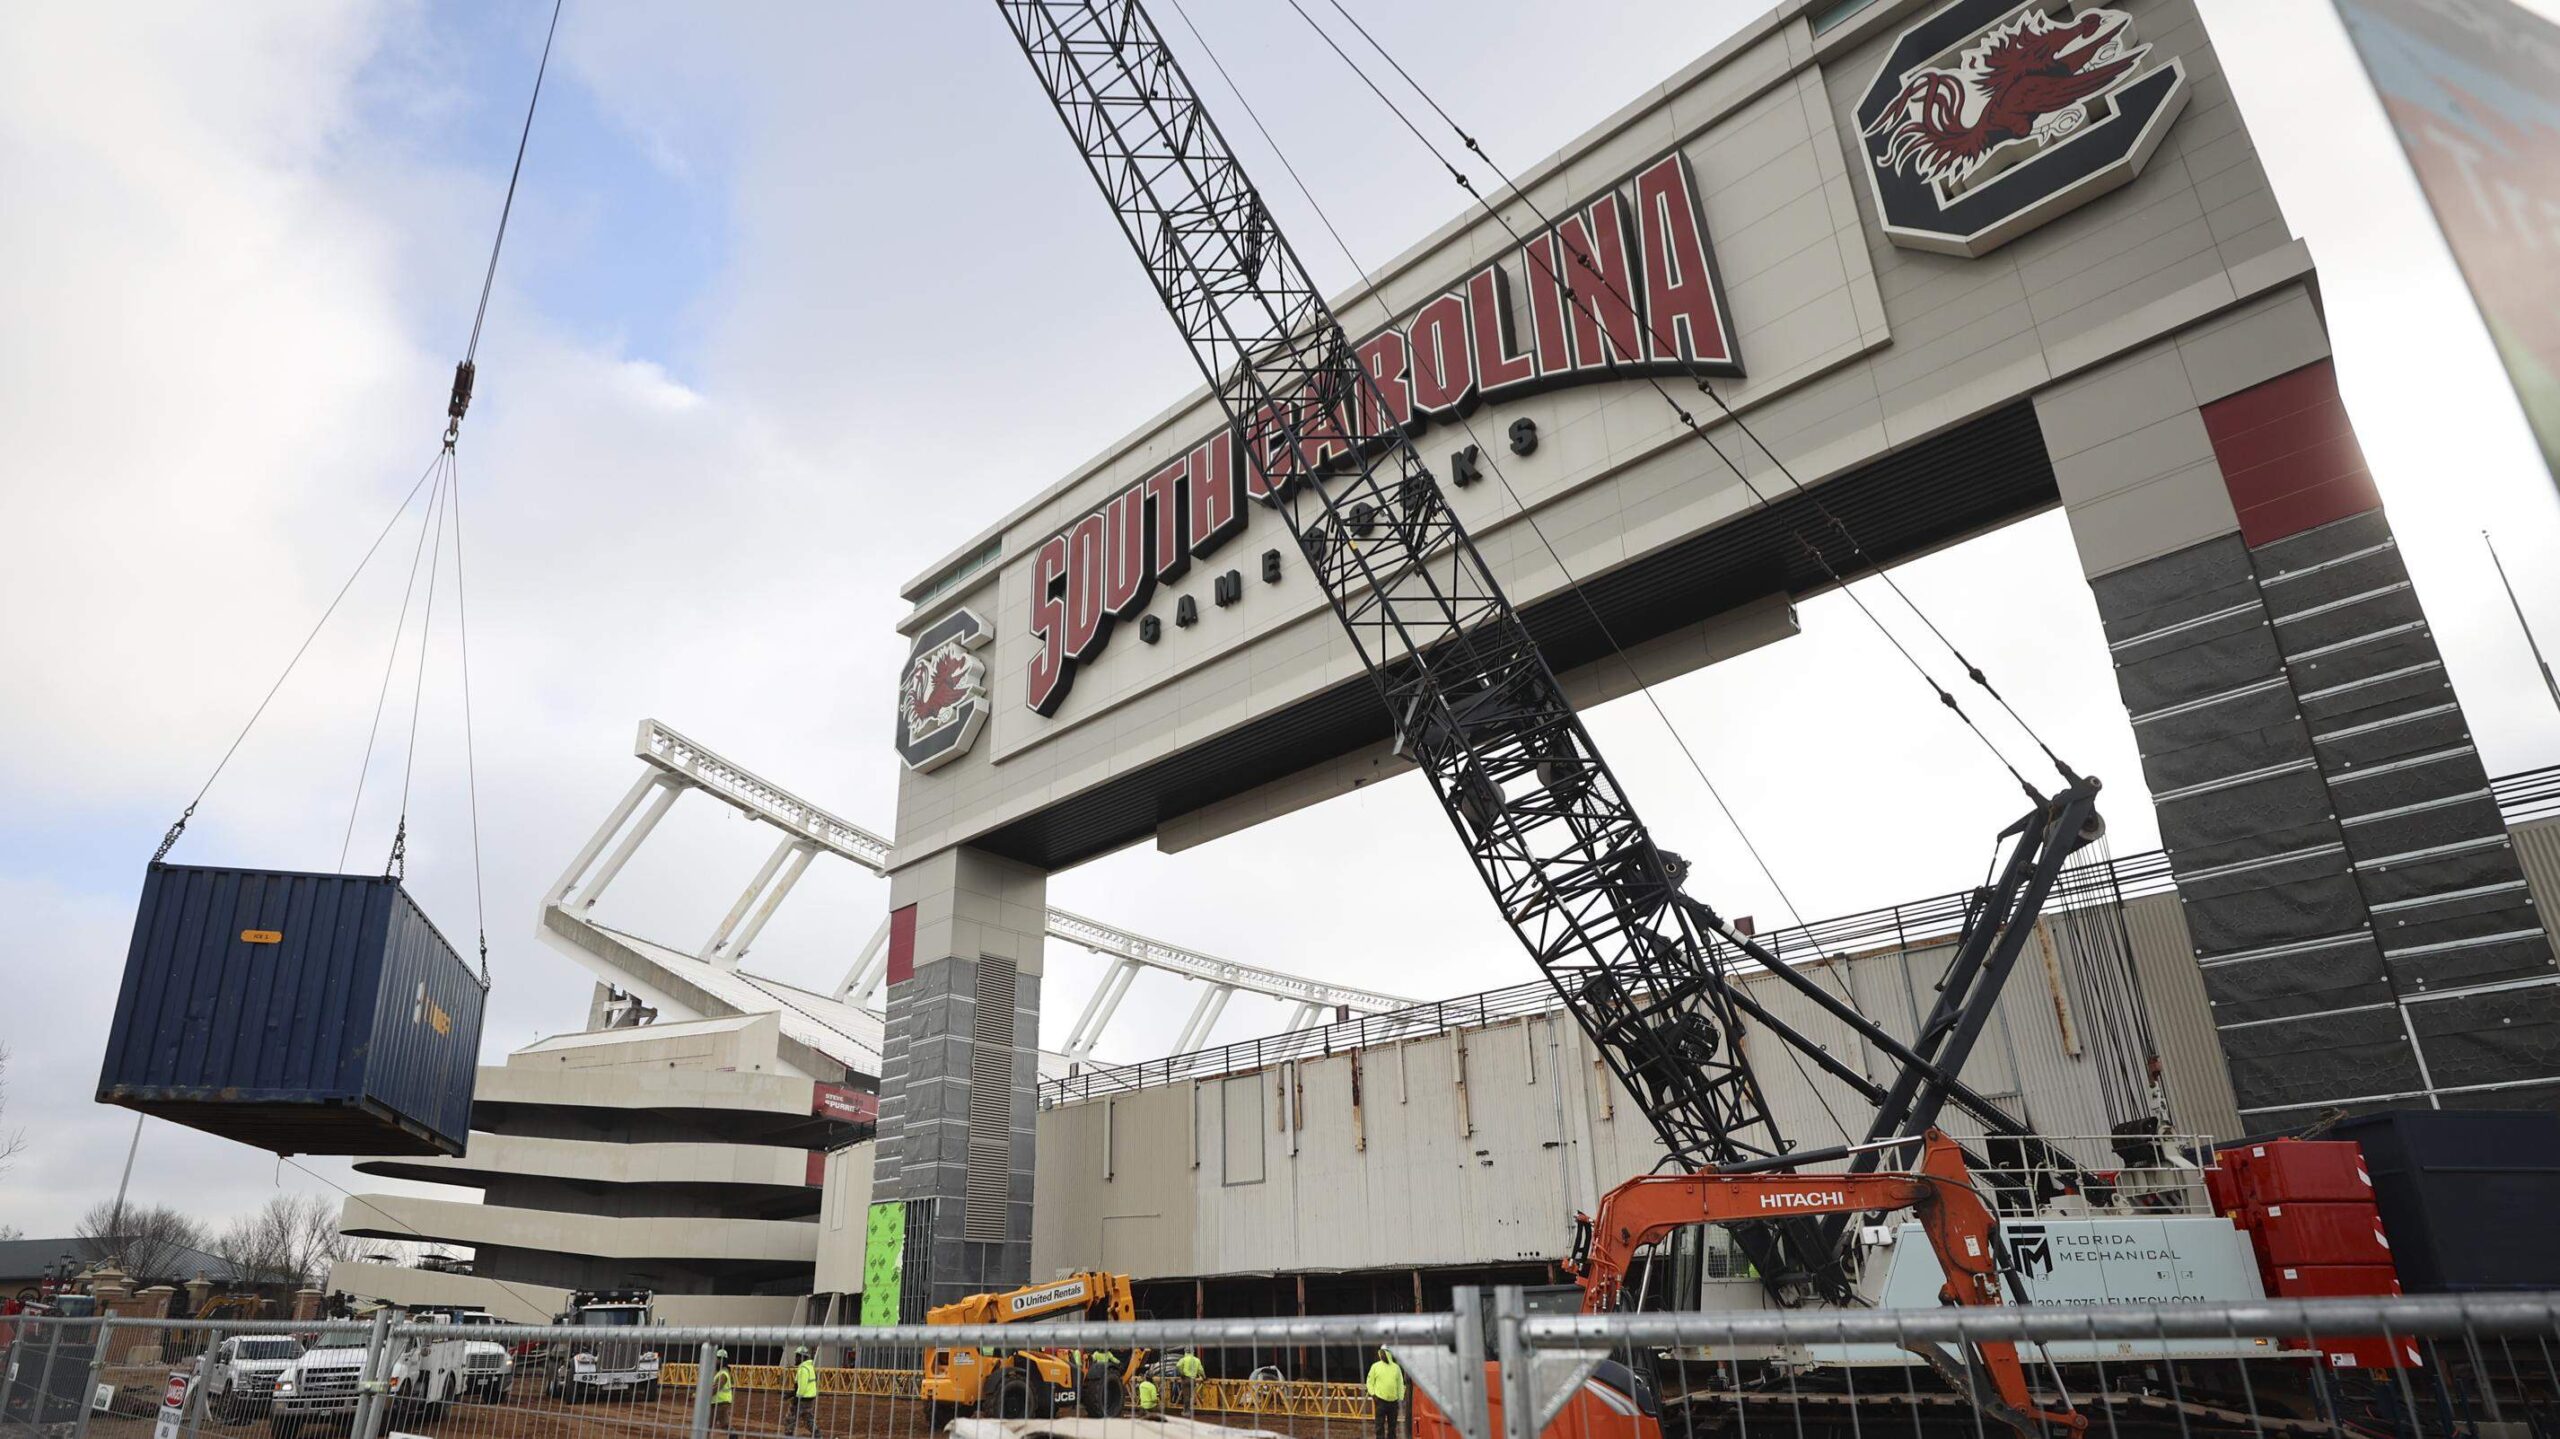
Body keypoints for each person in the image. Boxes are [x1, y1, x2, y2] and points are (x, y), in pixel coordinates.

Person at [1366, 1346, 1406, 1439]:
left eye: (1385, 1352)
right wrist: (1373, 1394)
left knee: (1392, 1427)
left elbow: (1400, 1384)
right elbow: (1369, 1382)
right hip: (1380, 1401)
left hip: (1393, 1402)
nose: (1383, 1354)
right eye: (1381, 1352)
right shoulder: (1375, 1366)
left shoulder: (1396, 1368)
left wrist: (1400, 1399)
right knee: (1379, 1425)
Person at [786, 1345, 821, 1438]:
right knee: (808, 1418)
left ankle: (788, 1434)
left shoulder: (803, 1369)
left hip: (803, 1398)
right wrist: (790, 1394)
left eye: (797, 1356)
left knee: (791, 1417)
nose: (795, 1358)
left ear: (802, 1357)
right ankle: (817, 1435)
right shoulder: (810, 1367)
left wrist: (796, 1398)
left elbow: (802, 1386)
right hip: (810, 1398)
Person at [708, 1349, 737, 1439]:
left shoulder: (723, 1374)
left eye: (716, 1359)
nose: (715, 1361)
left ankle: (734, 1436)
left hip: (721, 1404)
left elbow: (716, 1388)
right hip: (716, 1403)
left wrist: (703, 1396)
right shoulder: (720, 1372)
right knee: (708, 1426)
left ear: (721, 1360)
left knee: (724, 1425)